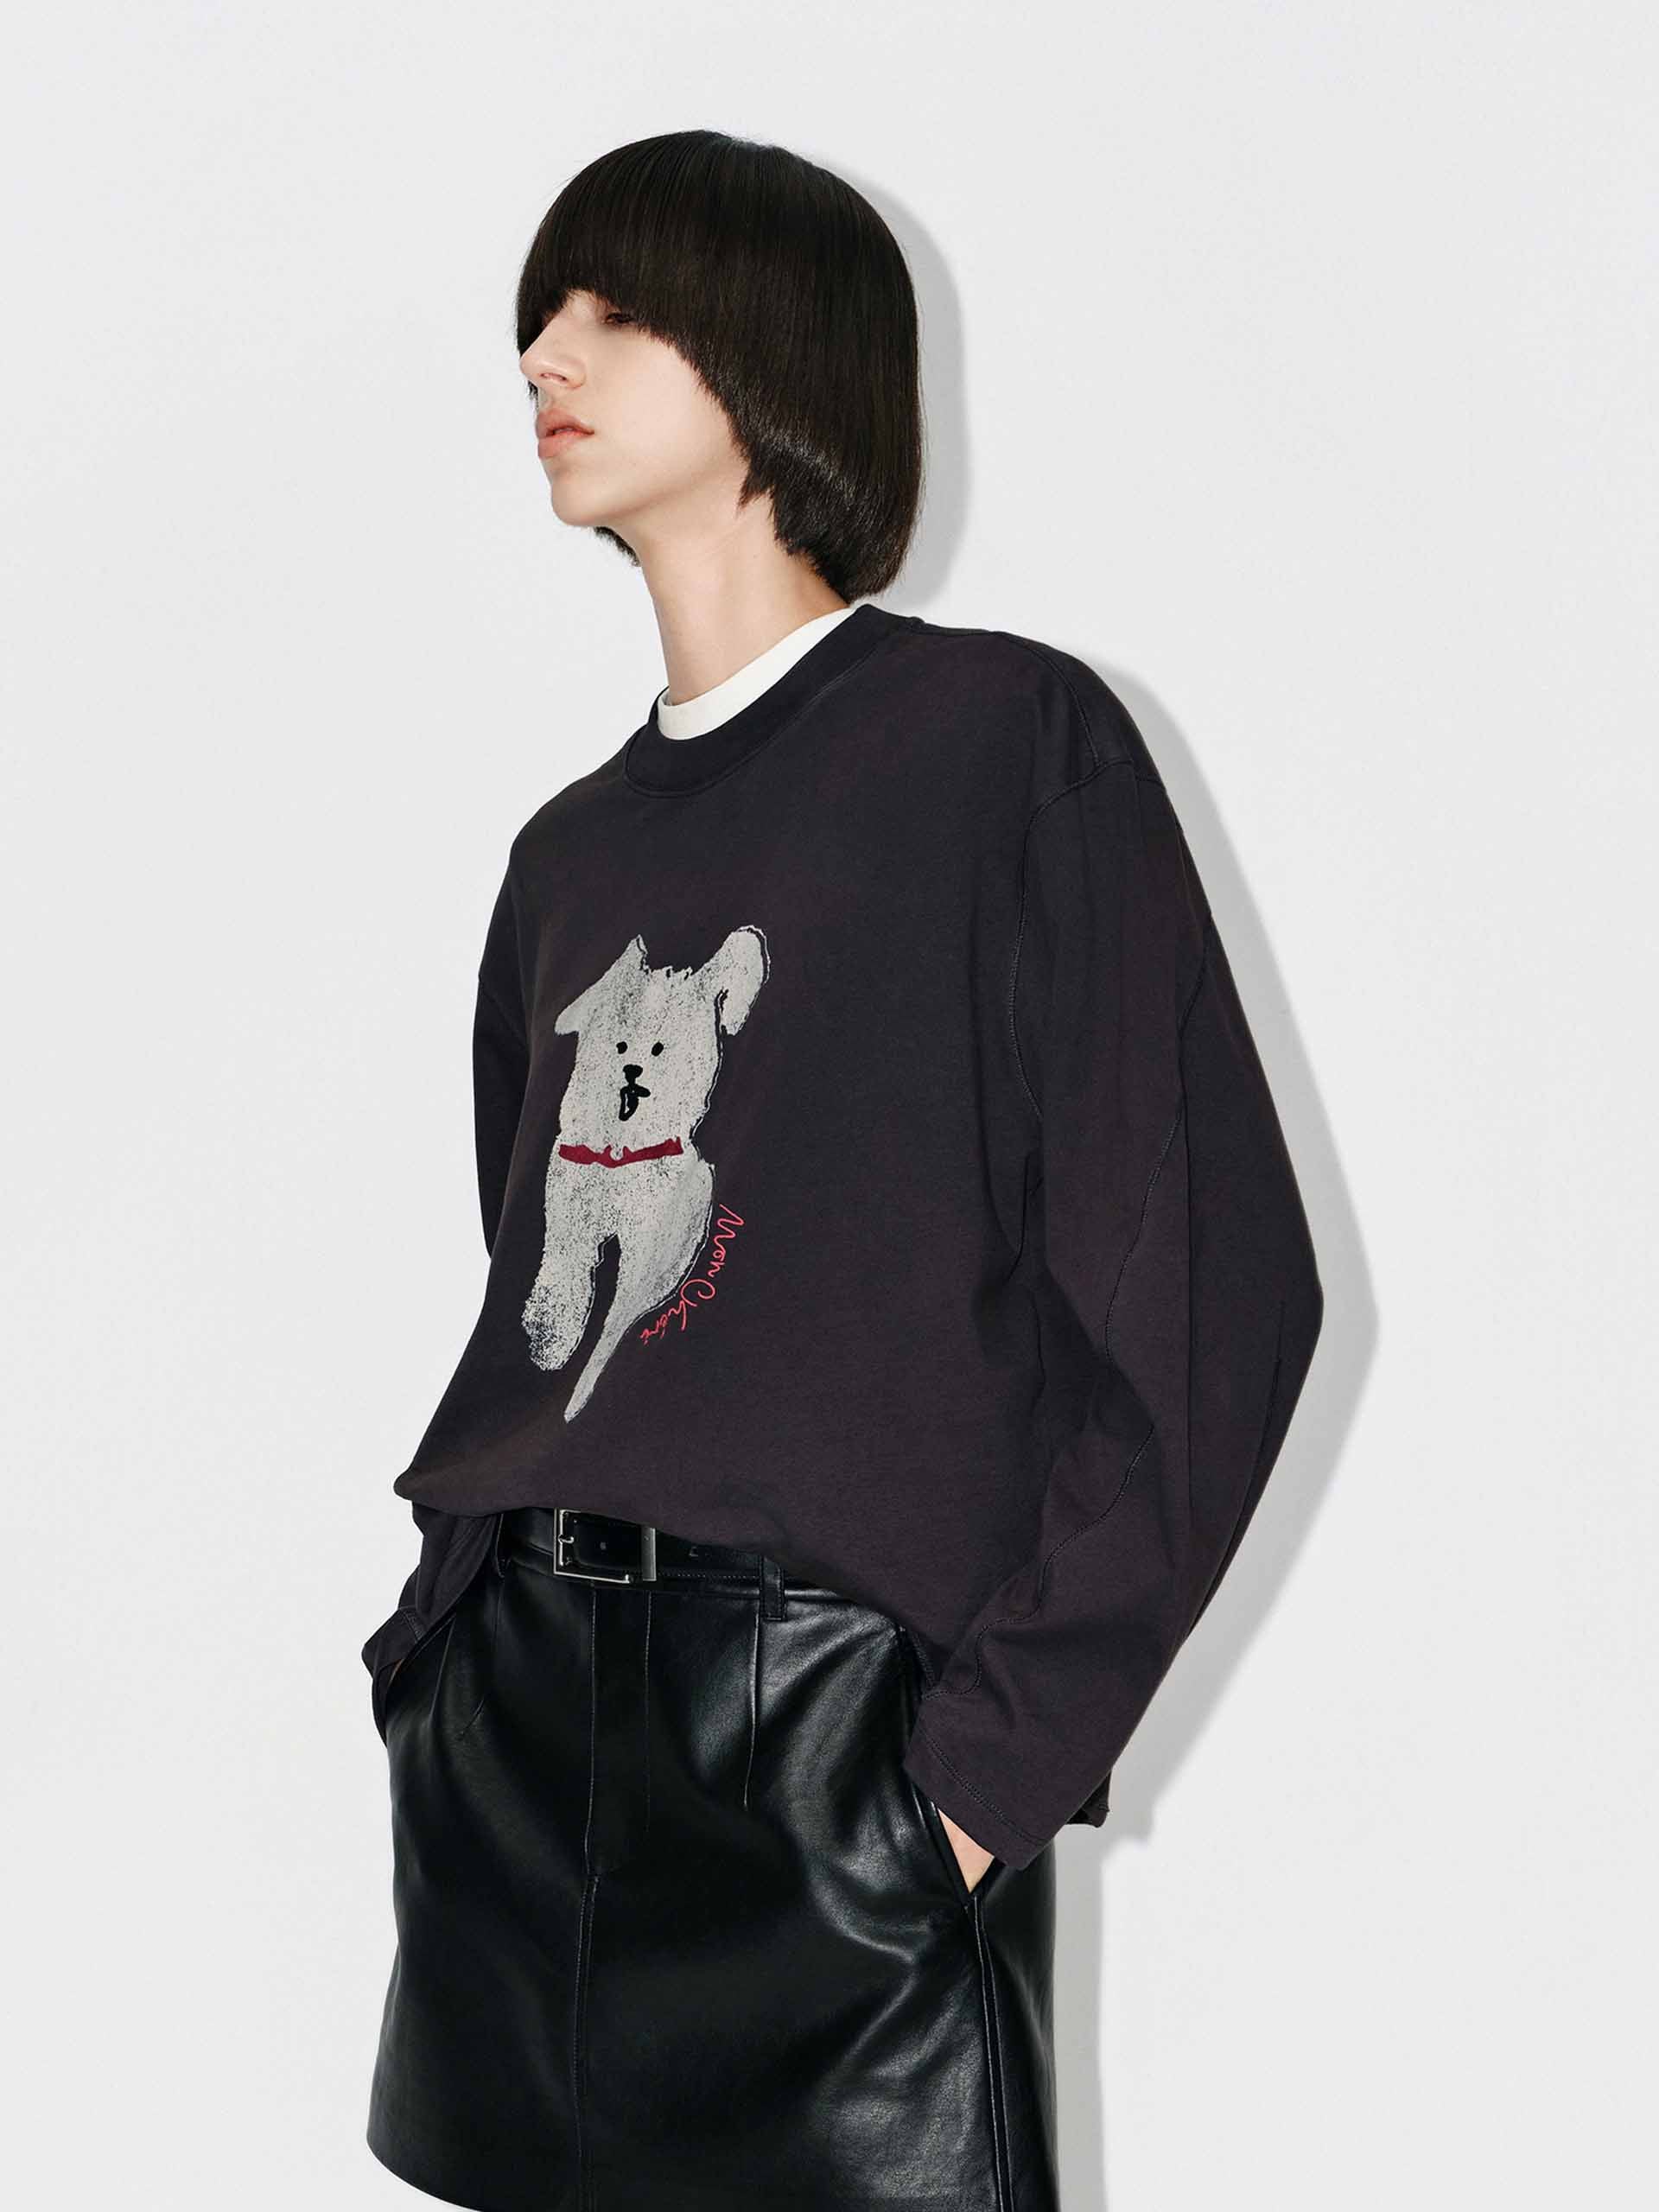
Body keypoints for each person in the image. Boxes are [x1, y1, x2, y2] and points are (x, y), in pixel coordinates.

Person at [360, 128, 1324, 2212]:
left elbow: (1216, 1293)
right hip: (515, 1749)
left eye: (613, 308)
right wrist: (432, 1656)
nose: (544, 354)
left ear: (776, 345)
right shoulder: (567, 856)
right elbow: (539, 1284)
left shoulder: (1006, 747)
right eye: (538, 315)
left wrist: (972, 1786)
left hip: (832, 1751)